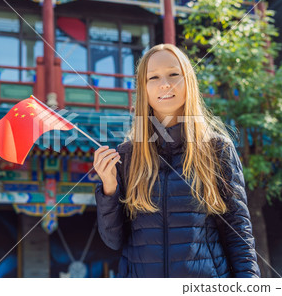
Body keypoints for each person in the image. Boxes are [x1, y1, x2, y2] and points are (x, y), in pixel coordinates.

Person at [93, 43, 260, 278]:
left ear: (188, 81)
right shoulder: (128, 155)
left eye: (174, 74)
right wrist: (109, 188)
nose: (165, 84)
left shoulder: (216, 149)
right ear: (143, 88)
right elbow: (113, 240)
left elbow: (239, 235)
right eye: (154, 77)